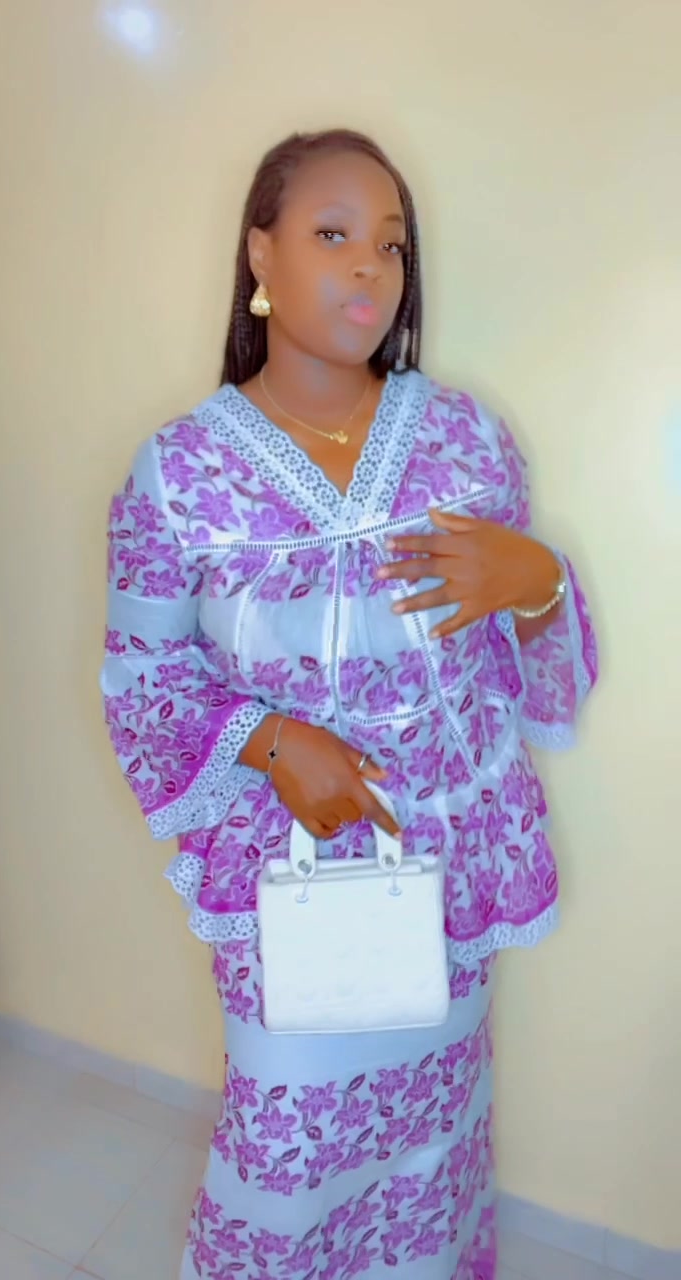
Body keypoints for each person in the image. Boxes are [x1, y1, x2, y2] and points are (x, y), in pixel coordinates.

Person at [101, 128, 597, 1280]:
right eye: (332, 233)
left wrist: (539, 583)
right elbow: (143, 681)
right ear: (259, 253)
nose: (369, 265)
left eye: (390, 243)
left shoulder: (467, 440)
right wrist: (271, 740)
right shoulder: (178, 474)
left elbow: (522, 674)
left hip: (444, 869)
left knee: (433, 1136)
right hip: (294, 881)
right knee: (290, 1149)